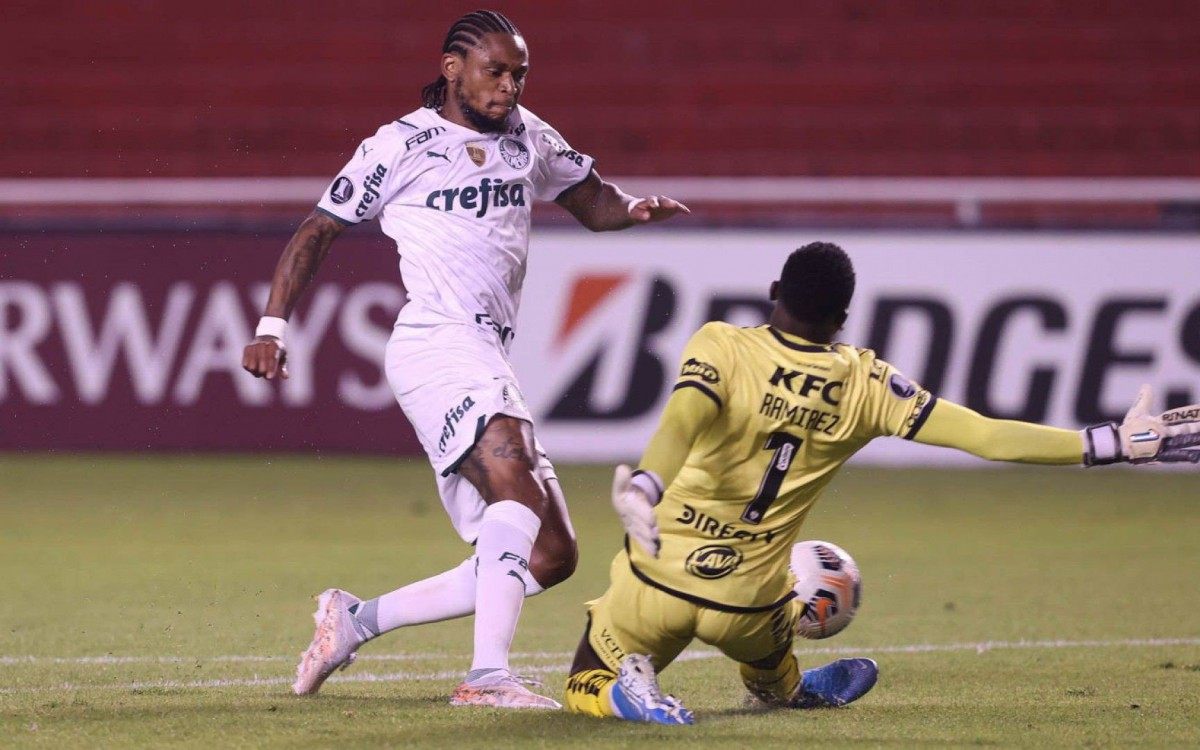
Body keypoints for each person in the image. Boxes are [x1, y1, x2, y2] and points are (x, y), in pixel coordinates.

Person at [241, 9, 689, 709]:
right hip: (436, 340)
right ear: (453, 69)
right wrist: (273, 324)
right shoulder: (402, 143)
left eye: (519, 74)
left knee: (549, 553)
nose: (509, 87)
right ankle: (487, 678)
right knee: (513, 468)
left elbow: (593, 201)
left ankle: (355, 620)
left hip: (488, 349)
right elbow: (319, 227)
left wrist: (633, 209)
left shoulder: (528, 137)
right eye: (495, 72)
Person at [562, 241, 1200, 724]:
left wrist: (647, 485)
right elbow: (984, 435)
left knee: (582, 680)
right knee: (768, 654)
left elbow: (684, 416)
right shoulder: (869, 386)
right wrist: (1107, 442)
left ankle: (625, 691)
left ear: (774, 289)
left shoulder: (722, 345)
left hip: (658, 574)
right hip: (748, 605)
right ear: (843, 317)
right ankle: (785, 685)